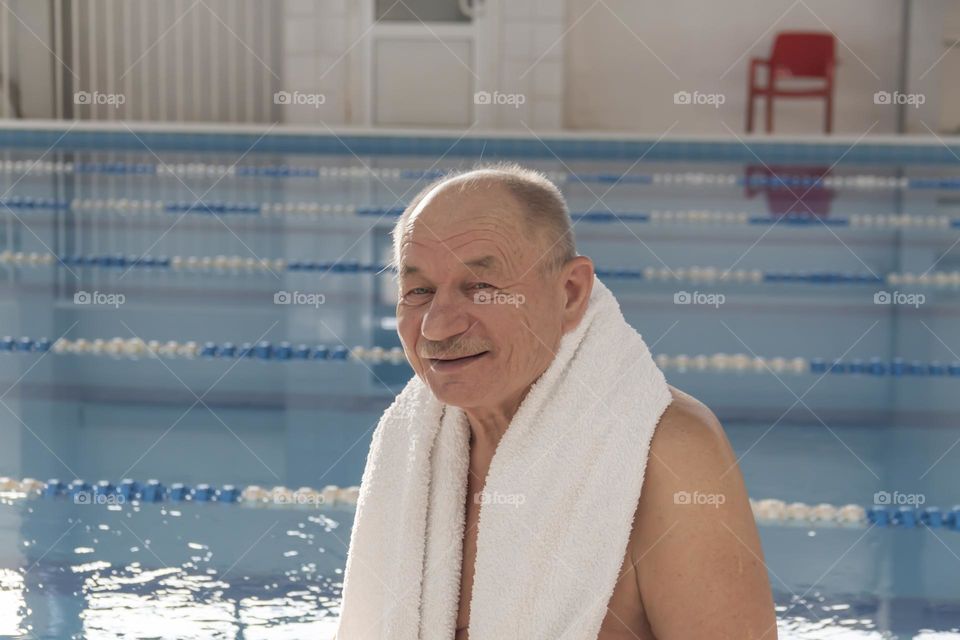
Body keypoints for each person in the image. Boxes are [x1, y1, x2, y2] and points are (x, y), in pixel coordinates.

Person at [339, 163, 778, 639]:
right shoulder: (413, 447)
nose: (437, 326)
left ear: (570, 293)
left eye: (482, 288)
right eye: (419, 291)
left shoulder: (668, 452)